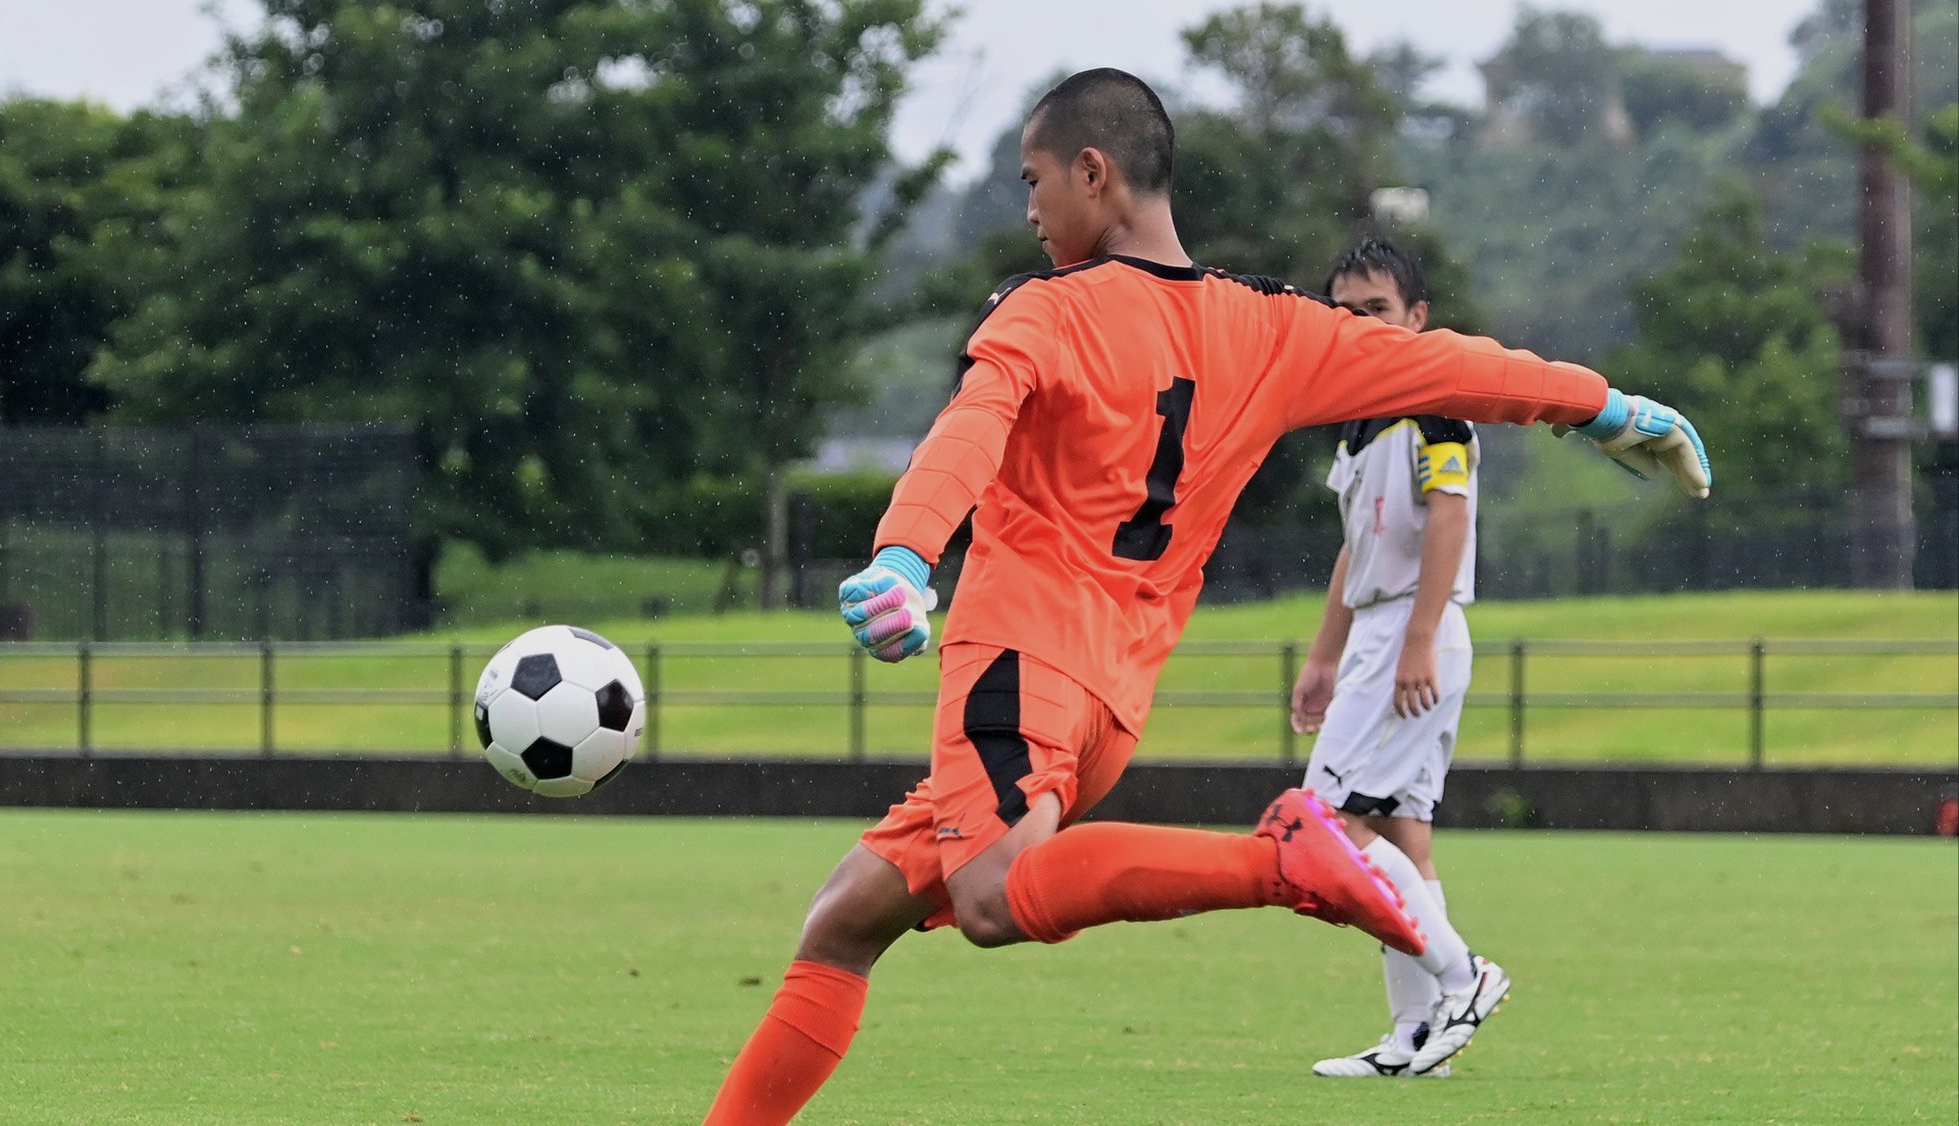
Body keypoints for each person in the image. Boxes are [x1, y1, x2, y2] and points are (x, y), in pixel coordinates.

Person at [699, 69, 1710, 1126]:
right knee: (845, 919)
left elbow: (967, 428)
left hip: (1015, 663)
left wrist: (904, 556)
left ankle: (1276, 859)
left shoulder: (1043, 311)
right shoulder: (1270, 328)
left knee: (995, 898)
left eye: (1034, 181)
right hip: (1110, 707)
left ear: (1093, 173)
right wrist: (1602, 406)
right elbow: (1447, 369)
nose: (1030, 210)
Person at [1292, 237, 1498, 1079]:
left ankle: (1464, 976)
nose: (1358, 326)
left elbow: (1447, 515)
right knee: (1403, 833)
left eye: (1375, 310)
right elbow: (1355, 549)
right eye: (1342, 312)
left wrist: (1414, 640)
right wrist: (1321, 656)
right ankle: (1418, 1039)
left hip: (1418, 632)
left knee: (1322, 826)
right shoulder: (1357, 422)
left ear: (1417, 318)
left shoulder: (1436, 403)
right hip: (1382, 635)